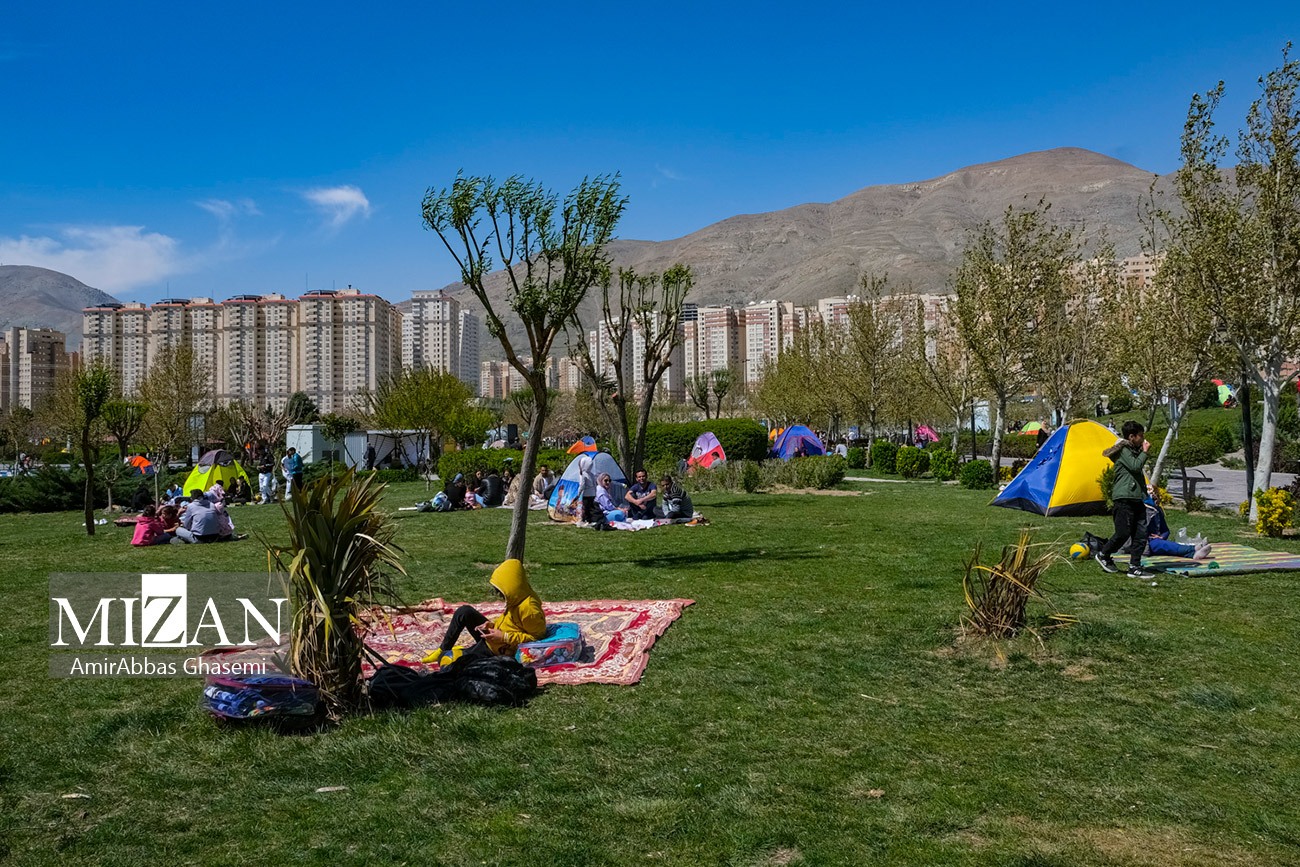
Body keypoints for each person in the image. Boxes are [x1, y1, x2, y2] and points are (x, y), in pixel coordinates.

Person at [430, 559, 546, 668]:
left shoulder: (529, 609)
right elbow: (510, 624)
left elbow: (536, 638)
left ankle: (460, 653)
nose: (499, 594)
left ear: (511, 587)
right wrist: (491, 625)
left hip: (498, 650)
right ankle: (443, 648)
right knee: (464, 611)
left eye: (500, 591)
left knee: (447, 659)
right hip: (494, 638)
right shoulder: (517, 596)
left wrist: (504, 637)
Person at [1096, 421, 1155, 578]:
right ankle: (1103, 554)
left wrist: (1147, 493)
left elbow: (1136, 475)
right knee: (1123, 532)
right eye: (1140, 436)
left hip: (1136, 498)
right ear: (1131, 437)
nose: (1143, 439)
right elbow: (1135, 466)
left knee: (1140, 534)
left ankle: (1135, 566)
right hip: (1123, 498)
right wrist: (1145, 452)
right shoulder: (1124, 451)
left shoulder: (1134, 451)